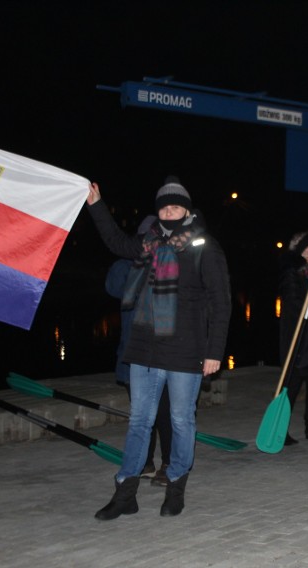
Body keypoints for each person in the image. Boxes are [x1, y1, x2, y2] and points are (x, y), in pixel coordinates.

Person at [87, 177, 231, 519]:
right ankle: (126, 493)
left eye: (176, 206)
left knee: (181, 420)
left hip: (185, 349)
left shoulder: (204, 247)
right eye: (164, 207)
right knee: (140, 421)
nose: (170, 212)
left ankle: (176, 485)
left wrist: (214, 352)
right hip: (144, 347)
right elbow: (116, 242)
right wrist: (96, 205)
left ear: (187, 210)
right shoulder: (148, 243)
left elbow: (221, 302)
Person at [105, 214, 172, 487]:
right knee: (142, 413)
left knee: (166, 412)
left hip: (164, 352)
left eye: (155, 238)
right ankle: (145, 462)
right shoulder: (126, 265)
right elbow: (113, 287)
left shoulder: (170, 263)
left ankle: (169, 464)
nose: (150, 242)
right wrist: (136, 260)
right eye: (146, 238)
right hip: (133, 352)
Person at [279, 230, 308, 445]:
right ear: (302, 252)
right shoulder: (293, 273)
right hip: (297, 336)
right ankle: (281, 429)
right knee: (292, 383)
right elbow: (293, 301)